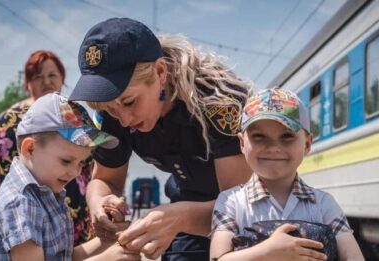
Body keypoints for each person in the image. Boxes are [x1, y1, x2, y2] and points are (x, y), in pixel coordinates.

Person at [68, 18, 253, 260]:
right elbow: (104, 179)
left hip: (246, 216)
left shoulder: (218, 102)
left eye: (130, 102)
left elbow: (240, 208)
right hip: (184, 207)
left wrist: (180, 218)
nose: (123, 119)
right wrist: (100, 203)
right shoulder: (114, 108)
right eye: (111, 109)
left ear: (160, 72)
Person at [0, 92, 141, 260]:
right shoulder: (19, 203)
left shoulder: (44, 195)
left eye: (81, 163)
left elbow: (62, 257)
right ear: (30, 149)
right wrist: (107, 258)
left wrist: (107, 240)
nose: (75, 172)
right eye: (66, 161)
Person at [209, 88, 364, 260]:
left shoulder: (324, 204)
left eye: (287, 136)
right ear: (242, 143)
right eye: (259, 137)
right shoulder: (230, 202)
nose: (274, 148)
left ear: (306, 144)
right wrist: (268, 251)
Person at [0, 50, 93, 246]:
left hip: (73, 227)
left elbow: (91, 174)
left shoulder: (75, 117)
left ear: (62, 78)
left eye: (52, 75)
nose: (46, 81)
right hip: (31, 228)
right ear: (28, 83)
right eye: (38, 76)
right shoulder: (10, 120)